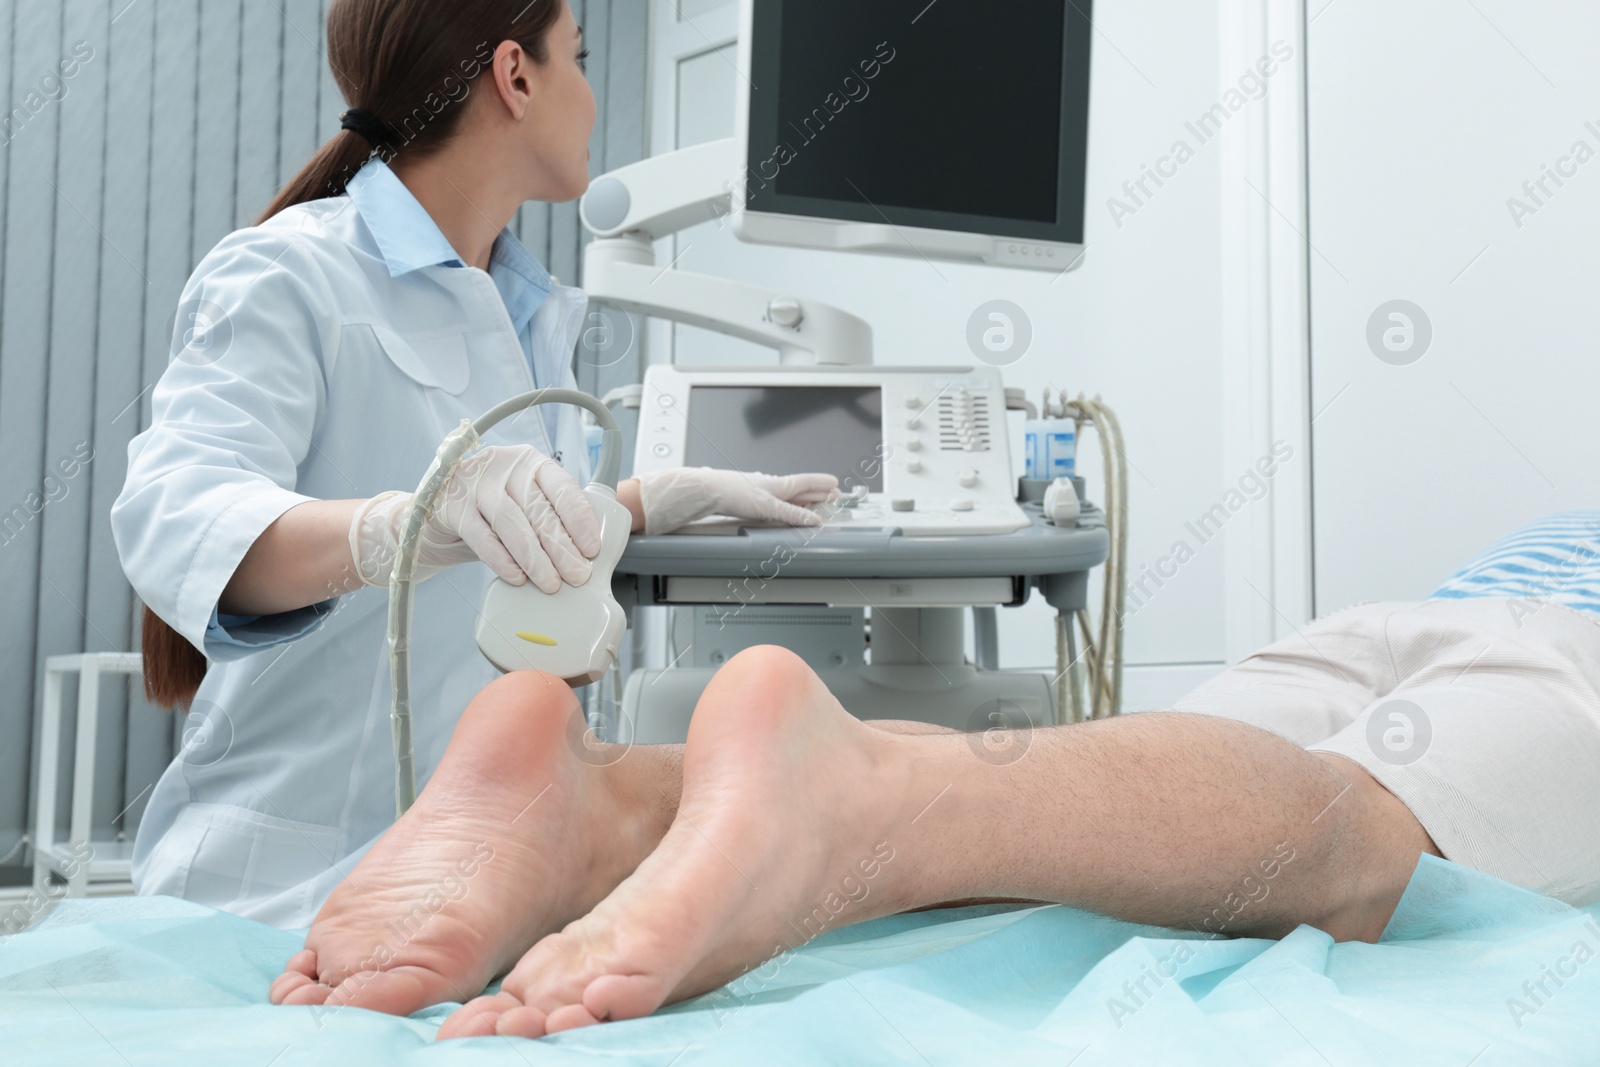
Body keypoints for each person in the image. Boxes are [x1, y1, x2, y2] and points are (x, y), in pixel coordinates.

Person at [268, 511, 1600, 1038]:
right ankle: (866, 805)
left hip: (1387, 619)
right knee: (1353, 845)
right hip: (1569, 640)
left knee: (1161, 807)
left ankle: (617, 801)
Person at [110, 0, 835, 930]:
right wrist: (409, 524)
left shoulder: (524, 308)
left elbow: (500, 527)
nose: (592, 96)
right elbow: (183, 515)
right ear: (516, 76)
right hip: (290, 894)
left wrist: (651, 500)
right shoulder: (289, 275)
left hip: (493, 874)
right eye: (578, 57)